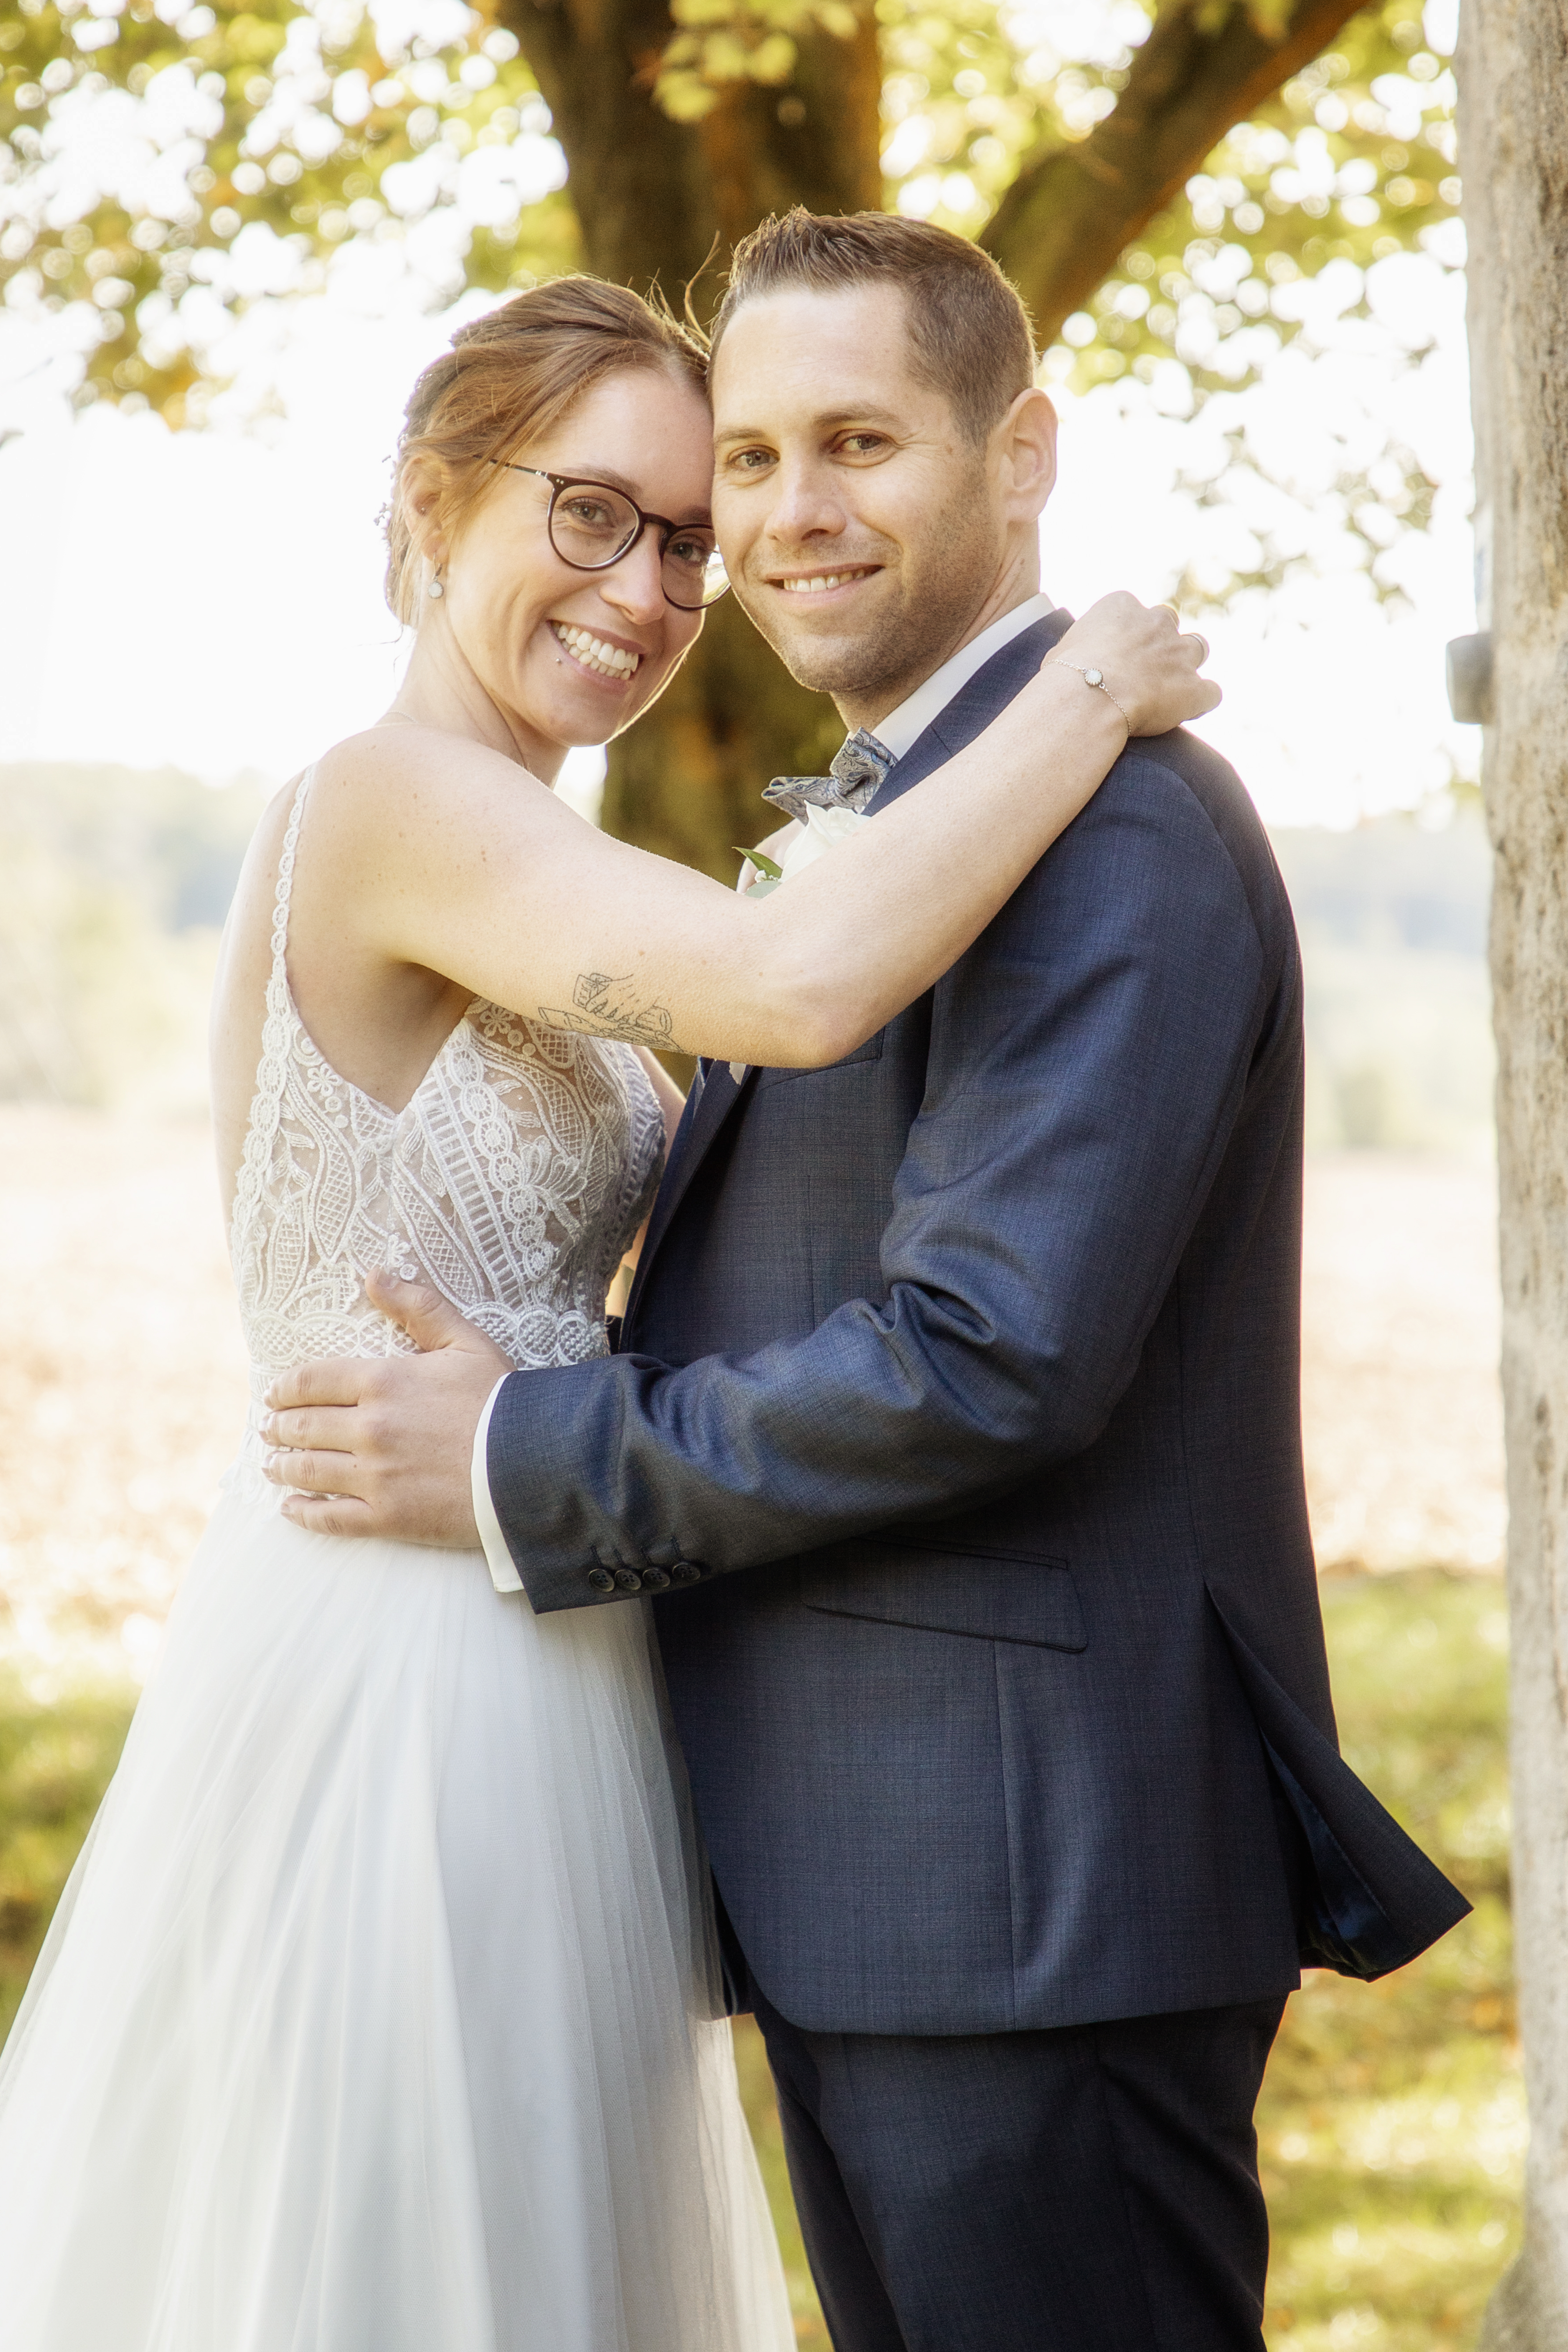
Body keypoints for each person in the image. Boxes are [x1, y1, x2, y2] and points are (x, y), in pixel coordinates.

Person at [264, 214, 1473, 2352]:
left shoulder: (1109, 838)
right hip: (887, 1882)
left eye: (859, 443)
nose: (781, 518)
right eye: (747, 463)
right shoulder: (929, 819)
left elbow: (987, 1353)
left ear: (1022, 457)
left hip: (1030, 1896)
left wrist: (533, 1441)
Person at [0, 274, 1211, 2351]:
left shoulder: (534, 850)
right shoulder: (390, 800)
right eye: (592, 513)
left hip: (548, 1625)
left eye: (679, 534)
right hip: (402, 1660)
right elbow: (807, 987)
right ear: (432, 503)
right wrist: (1085, 703)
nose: (654, 587)